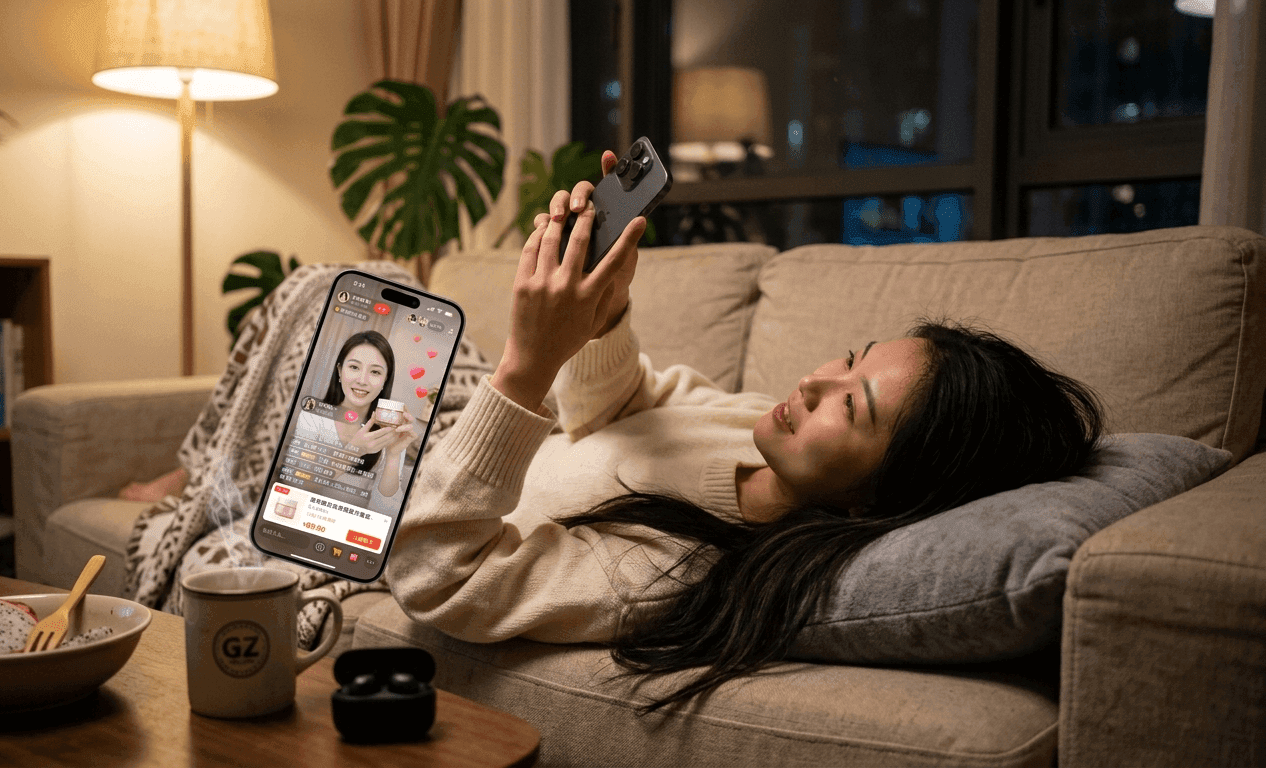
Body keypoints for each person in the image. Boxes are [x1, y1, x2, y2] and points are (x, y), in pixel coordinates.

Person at [386, 151, 1105, 713]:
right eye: (850, 361)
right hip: (429, 439)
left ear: (875, 501)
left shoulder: (679, 571)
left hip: (408, 499)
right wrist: (603, 313)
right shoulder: (755, 426)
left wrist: (527, 364)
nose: (815, 384)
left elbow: (439, 573)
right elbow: (621, 407)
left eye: (850, 408)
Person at [296, 330, 415, 508]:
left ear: (385, 381)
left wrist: (393, 454)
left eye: (375, 372)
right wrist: (353, 451)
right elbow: (298, 487)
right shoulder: (312, 418)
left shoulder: (387, 432)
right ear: (339, 371)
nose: (362, 380)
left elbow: (386, 511)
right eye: (354, 367)